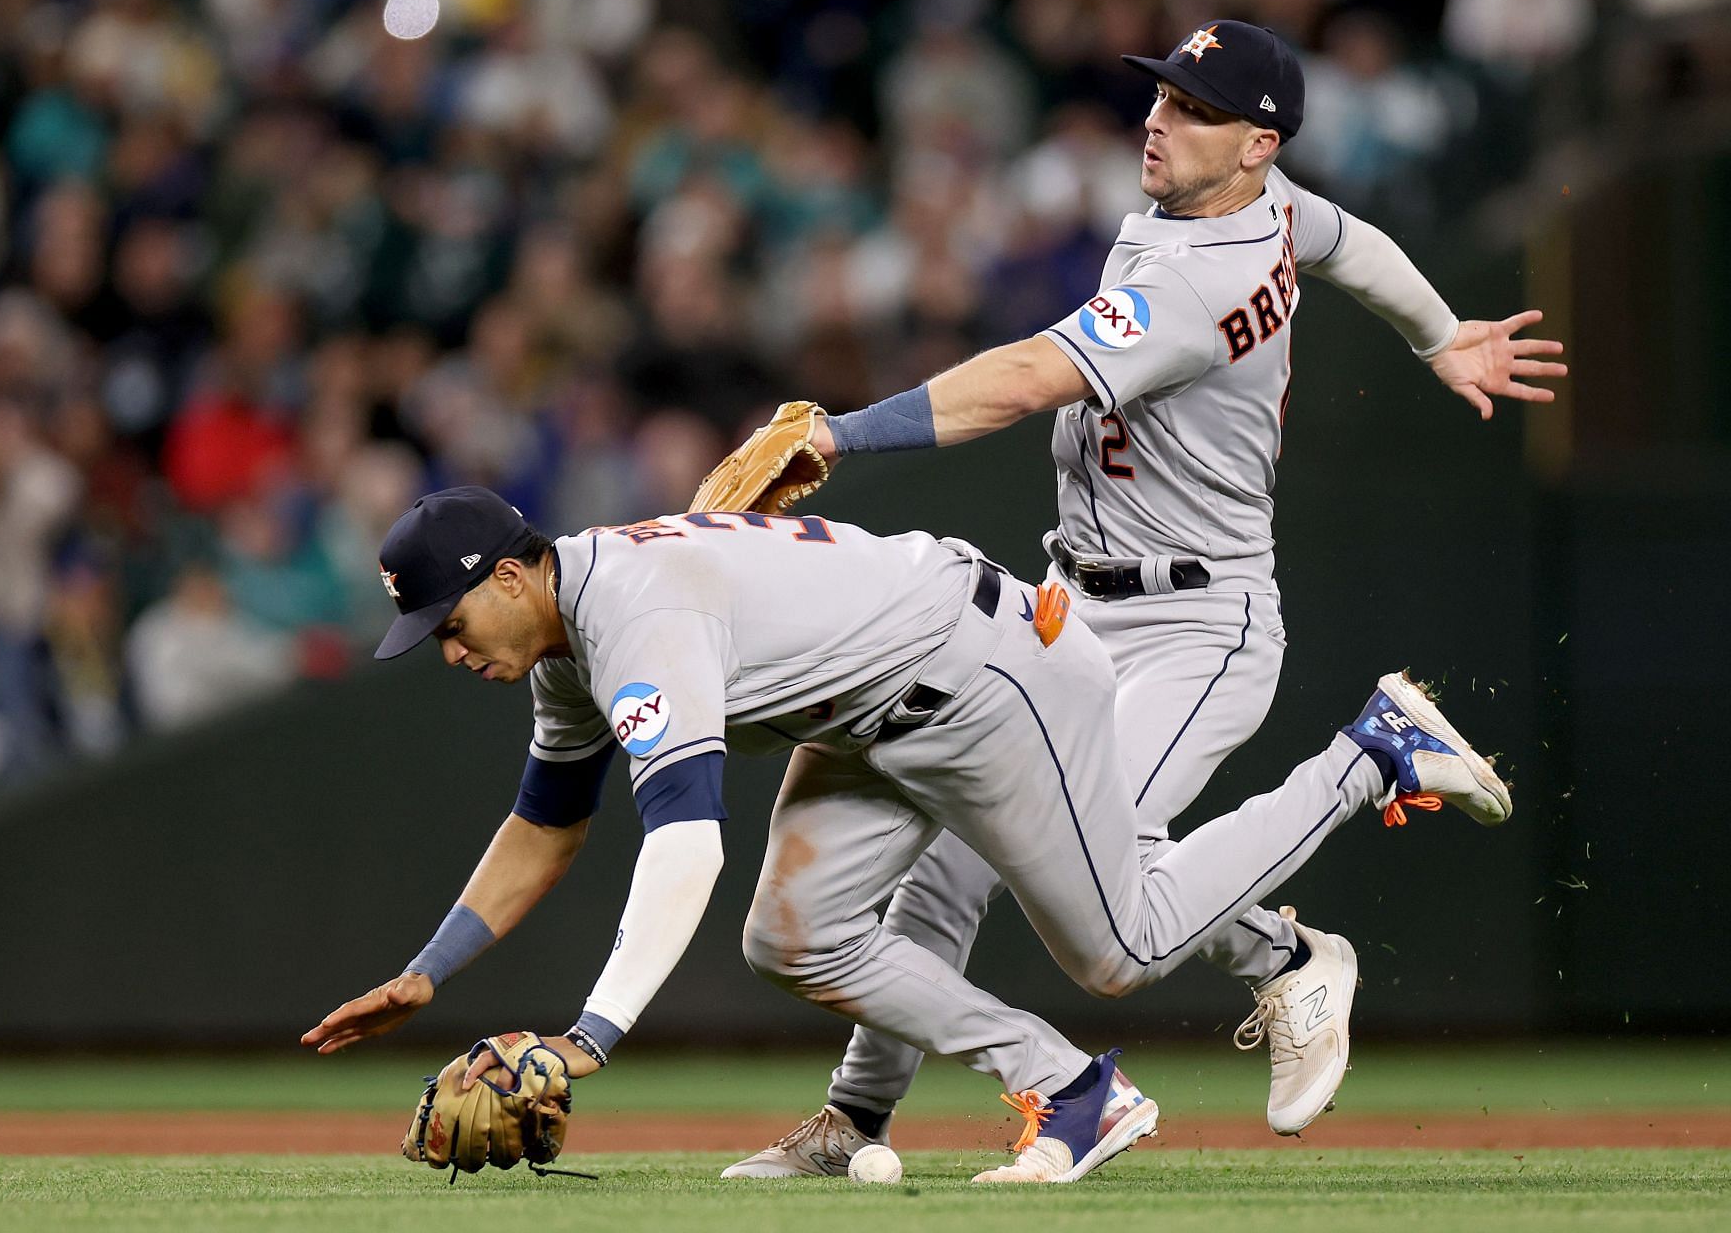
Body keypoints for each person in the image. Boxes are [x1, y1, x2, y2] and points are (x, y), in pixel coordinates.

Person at [726, 18, 1564, 1177]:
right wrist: (1438, 337)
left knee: (1108, 936)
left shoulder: (1203, 274)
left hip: (1191, 627)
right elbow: (1348, 239)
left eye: (1198, 109)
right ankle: (857, 1119)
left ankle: (1371, 757)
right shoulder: (1256, 210)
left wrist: (839, 429)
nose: (1162, 119)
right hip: (1074, 605)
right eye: (1165, 94)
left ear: (1259, 142)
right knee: (961, 865)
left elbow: (1023, 379)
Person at [301, 486, 1511, 1184]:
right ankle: (1065, 1086)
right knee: (795, 933)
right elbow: (546, 824)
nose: (448, 649)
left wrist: (590, 1037)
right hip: (878, 708)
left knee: (1122, 942)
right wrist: (429, 969)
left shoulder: (635, 613)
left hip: (988, 676)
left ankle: (1368, 756)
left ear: (511, 574)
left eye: (449, 620)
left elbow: (686, 845)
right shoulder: (568, 636)